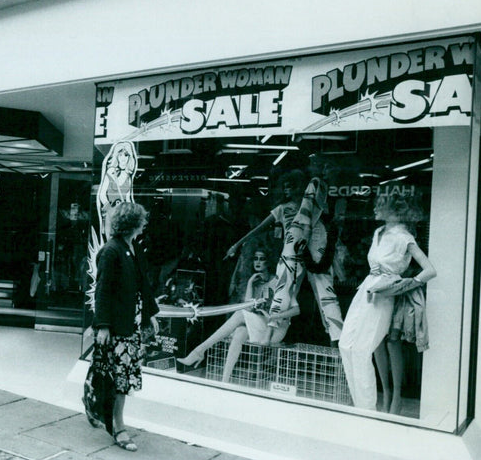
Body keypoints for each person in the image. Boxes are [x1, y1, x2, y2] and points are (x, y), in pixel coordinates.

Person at [338, 193, 436, 411]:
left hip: (383, 295)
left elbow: (429, 270)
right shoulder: (377, 232)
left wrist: (401, 286)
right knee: (346, 344)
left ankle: (366, 411)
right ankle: (360, 405)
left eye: (380, 206)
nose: (374, 209)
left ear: (395, 211)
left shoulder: (405, 238)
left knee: (362, 349)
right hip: (365, 290)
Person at [225, 169, 344, 345]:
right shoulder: (283, 209)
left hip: (310, 248)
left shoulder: (315, 209)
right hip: (294, 250)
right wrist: (237, 244)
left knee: (325, 295)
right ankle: (271, 333)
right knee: (284, 289)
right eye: (285, 187)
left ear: (300, 187)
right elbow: (259, 228)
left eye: (291, 186)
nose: (287, 190)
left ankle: (337, 341)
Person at [84, 202, 160, 452]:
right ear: (133, 224)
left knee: (118, 375)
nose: (144, 224)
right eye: (142, 221)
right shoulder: (111, 251)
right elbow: (103, 291)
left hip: (130, 322)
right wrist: (103, 326)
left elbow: (143, 285)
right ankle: (118, 427)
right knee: (119, 378)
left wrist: (149, 315)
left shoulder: (132, 248)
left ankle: (94, 402)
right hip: (117, 325)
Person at [176, 249, 280, 377]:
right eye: (255, 258)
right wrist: (249, 283)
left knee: (239, 314)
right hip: (259, 325)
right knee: (239, 332)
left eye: (262, 259)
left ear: (269, 262)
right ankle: (225, 380)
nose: (257, 262)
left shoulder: (276, 281)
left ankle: (199, 351)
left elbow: (277, 309)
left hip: (273, 327)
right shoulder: (255, 281)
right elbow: (248, 307)